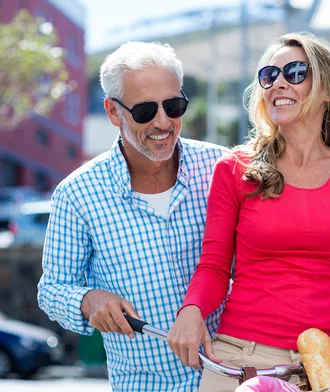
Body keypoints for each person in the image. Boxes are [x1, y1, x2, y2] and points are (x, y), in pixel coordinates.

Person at [167, 32, 330, 392]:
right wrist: (192, 309)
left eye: (294, 72)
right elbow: (215, 267)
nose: (278, 82)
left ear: (327, 89)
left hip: (322, 369)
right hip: (239, 361)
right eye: (269, 75)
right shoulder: (235, 169)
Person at [37, 41, 229, 391]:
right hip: (144, 384)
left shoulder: (223, 167)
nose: (163, 122)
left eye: (173, 106)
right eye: (144, 111)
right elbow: (51, 290)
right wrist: (87, 300)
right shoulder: (77, 194)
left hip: (233, 379)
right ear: (113, 112)